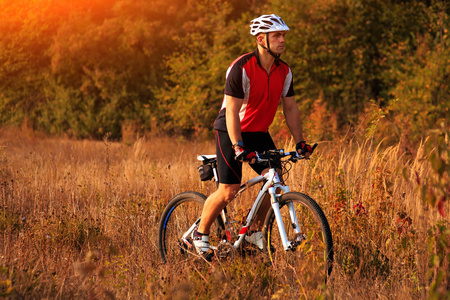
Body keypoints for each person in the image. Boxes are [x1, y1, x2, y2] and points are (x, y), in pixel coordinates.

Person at [193, 14, 313, 260]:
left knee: (275, 181)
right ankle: (199, 234)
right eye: (277, 36)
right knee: (229, 191)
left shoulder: (284, 71)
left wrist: (300, 141)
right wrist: (238, 146)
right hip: (231, 130)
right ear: (261, 39)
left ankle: (252, 233)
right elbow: (232, 112)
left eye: (283, 35)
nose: (282, 40)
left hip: (258, 132)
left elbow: (290, 108)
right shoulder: (241, 68)